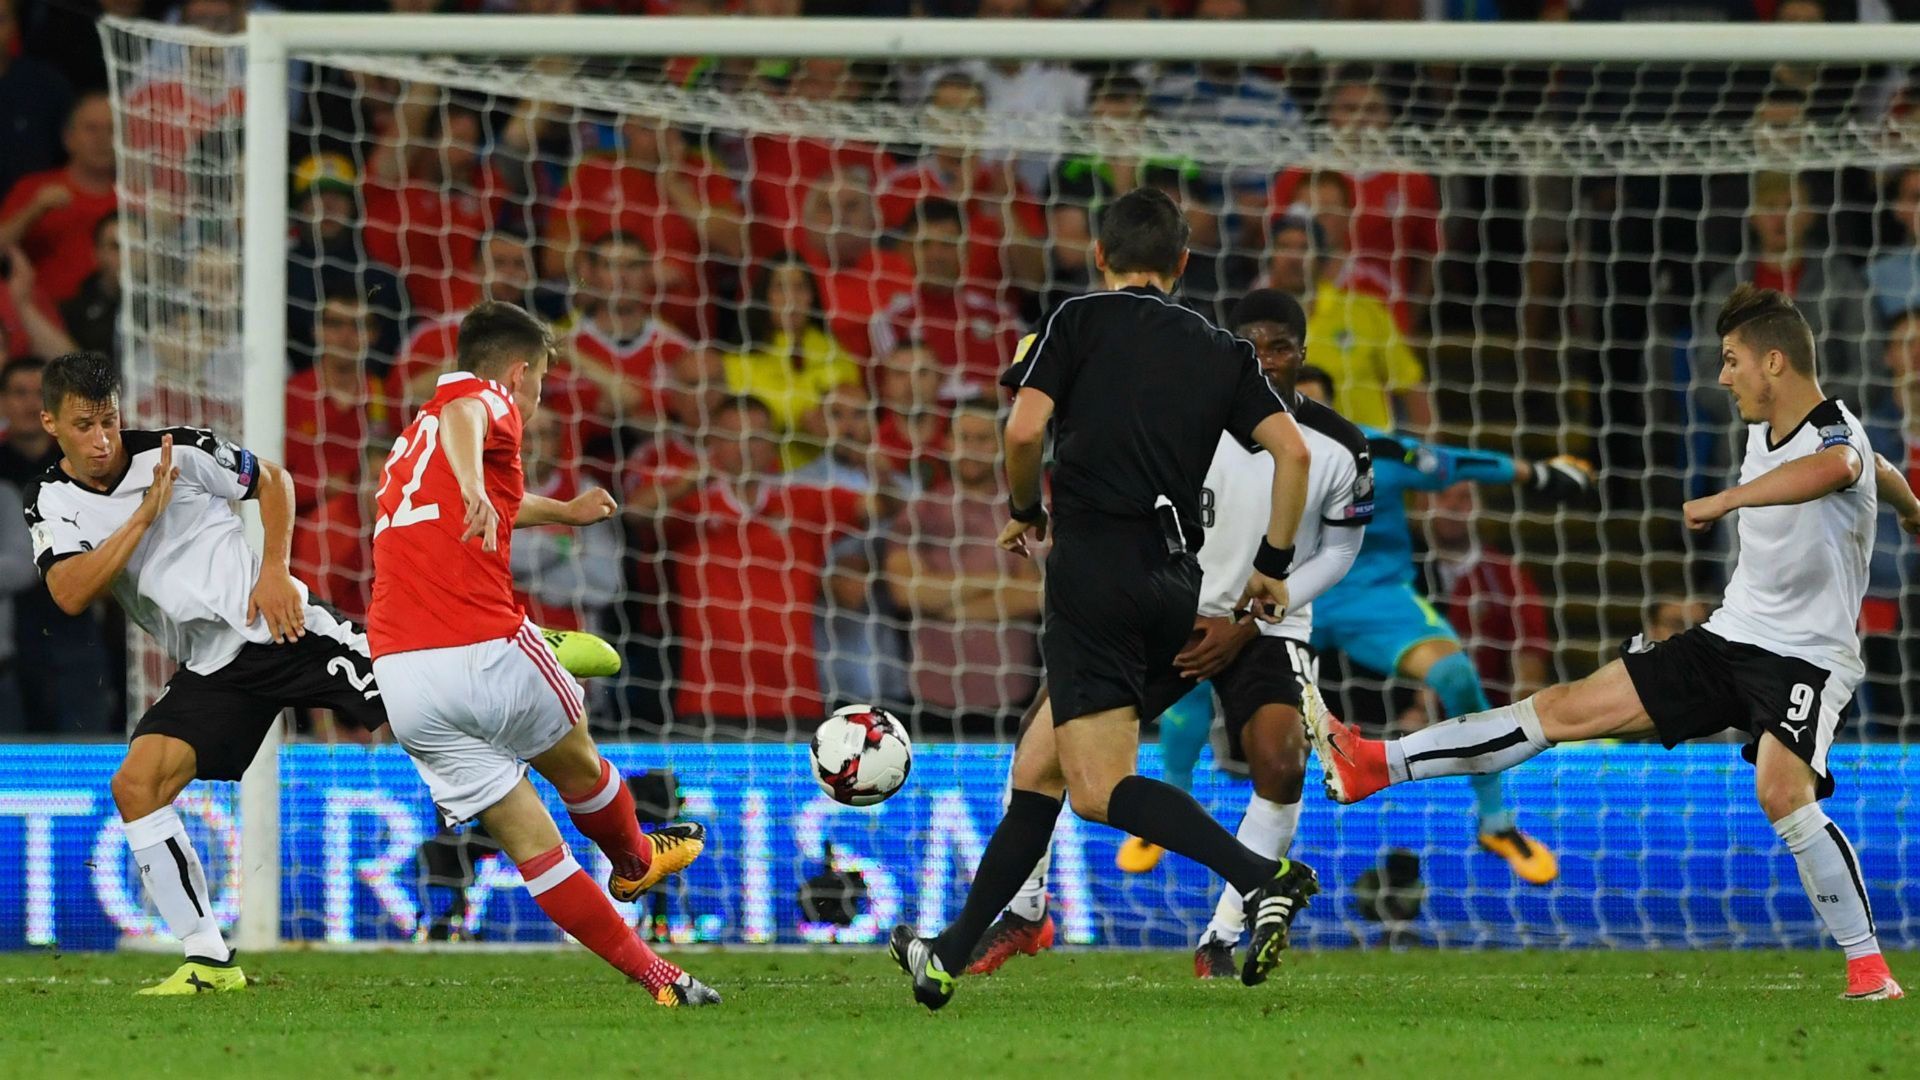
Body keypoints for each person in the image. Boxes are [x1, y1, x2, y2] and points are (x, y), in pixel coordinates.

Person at [1308, 285, 1914, 1003]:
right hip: (1730, 638)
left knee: (1782, 790)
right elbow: (1877, 472)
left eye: (1731, 361)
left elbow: (1844, 468)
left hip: (1807, 659)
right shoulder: (1769, 426)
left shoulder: (1832, 429)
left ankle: (1869, 969)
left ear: (1773, 362)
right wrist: (1911, 510)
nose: (1721, 377)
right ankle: (1376, 763)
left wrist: (1726, 501)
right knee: (1561, 708)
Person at [889, 188, 1320, 1010]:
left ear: (1099, 256)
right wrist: (1273, 563)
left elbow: (1020, 432)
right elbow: (1291, 454)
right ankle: (944, 953)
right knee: (1038, 769)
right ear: (1182, 265)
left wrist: (1023, 511)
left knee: (1095, 789)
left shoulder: (1075, 321)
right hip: (1173, 578)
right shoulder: (1220, 348)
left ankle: (1263, 878)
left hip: (1093, 568)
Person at [966, 289, 1374, 981]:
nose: (1265, 358)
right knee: (1050, 745)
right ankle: (1028, 909)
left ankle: (1223, 932)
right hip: (1170, 613)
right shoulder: (1189, 417)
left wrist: (1251, 622)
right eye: (1252, 344)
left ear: (1301, 356)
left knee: (1280, 760)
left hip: (1263, 628)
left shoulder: (1339, 445)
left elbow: (1337, 552)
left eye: (1280, 346)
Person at [367, 302, 717, 1006]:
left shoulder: (411, 442)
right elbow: (473, 423)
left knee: (533, 845)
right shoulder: (481, 398)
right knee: (580, 763)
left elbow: (484, 496)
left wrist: (562, 511)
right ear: (520, 373)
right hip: (483, 646)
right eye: (539, 385)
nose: (533, 400)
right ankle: (636, 859)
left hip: (401, 677)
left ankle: (659, 977)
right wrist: (473, 482)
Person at [23, 351, 388, 994]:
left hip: (276, 627)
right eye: (84, 425)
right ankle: (208, 962)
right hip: (212, 667)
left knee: (424, 703)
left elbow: (273, 481)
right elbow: (70, 593)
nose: (103, 438)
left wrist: (275, 568)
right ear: (51, 422)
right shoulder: (50, 502)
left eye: (109, 419)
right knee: (136, 786)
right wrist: (141, 517)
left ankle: (524, 655)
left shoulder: (179, 451)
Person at [1300, 363, 1589, 885]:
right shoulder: (1246, 461)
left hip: (1375, 597)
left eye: (1315, 409)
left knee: (1456, 676)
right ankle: (1170, 797)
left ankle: (1496, 820)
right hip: (1292, 597)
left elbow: (1455, 463)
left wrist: (1539, 474)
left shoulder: (1376, 452)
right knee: (1200, 664)